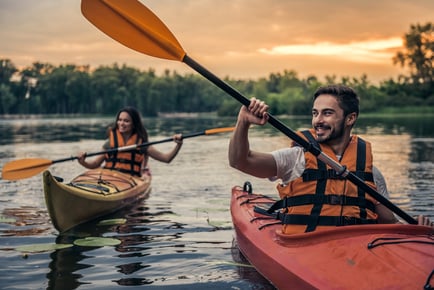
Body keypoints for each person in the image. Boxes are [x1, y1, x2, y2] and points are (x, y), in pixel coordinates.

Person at [229, 85, 433, 234]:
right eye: (315, 113)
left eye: (327, 113)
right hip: (304, 247)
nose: (318, 120)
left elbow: (389, 223)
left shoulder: (371, 173)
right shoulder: (296, 158)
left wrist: (417, 229)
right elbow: (240, 161)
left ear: (350, 118)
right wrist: (243, 122)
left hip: (356, 252)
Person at [78, 107, 183, 178]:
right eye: (120, 120)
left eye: (126, 121)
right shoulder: (110, 142)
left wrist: (178, 144)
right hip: (108, 177)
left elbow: (166, 159)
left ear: (134, 124)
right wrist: (82, 161)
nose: (121, 123)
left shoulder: (142, 144)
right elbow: (95, 164)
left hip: (130, 180)